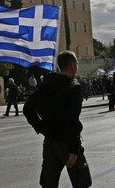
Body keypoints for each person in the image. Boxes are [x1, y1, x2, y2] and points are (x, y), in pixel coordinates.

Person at [23, 51, 91, 188]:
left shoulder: (44, 84)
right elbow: (71, 120)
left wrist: (41, 127)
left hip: (50, 141)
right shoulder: (73, 88)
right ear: (72, 66)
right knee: (82, 182)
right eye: (76, 63)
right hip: (67, 142)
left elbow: (27, 108)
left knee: (49, 183)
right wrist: (73, 150)